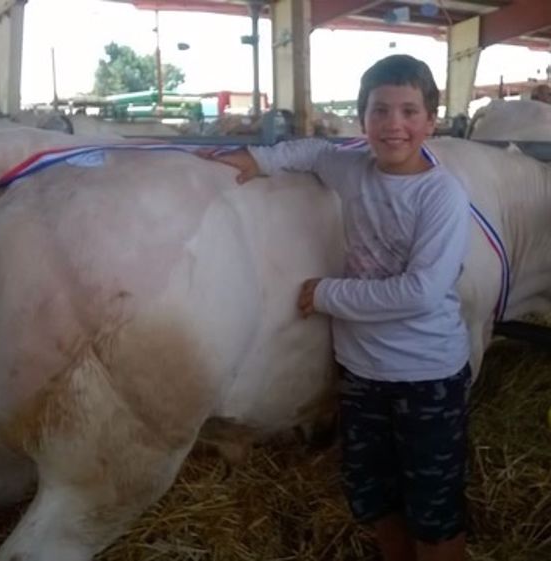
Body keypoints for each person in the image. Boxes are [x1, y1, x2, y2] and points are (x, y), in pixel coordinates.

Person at [201, 54, 472, 561]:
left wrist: (326, 294)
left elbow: (421, 291)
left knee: (432, 509)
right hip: (362, 371)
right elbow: (316, 152)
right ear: (363, 118)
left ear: (431, 121)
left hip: (426, 375)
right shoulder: (355, 169)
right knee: (372, 494)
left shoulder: (442, 196)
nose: (394, 125)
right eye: (380, 111)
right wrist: (258, 161)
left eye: (410, 112)